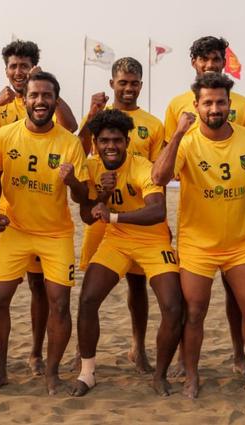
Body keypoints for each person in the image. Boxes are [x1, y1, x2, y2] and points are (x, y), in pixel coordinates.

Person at [152, 72, 245, 399]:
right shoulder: (187, 140)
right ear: (196, 105)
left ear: (229, 105)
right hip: (197, 246)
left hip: (240, 243)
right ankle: (192, 375)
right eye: (208, 102)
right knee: (194, 312)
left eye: (221, 102)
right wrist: (177, 134)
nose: (215, 108)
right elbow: (159, 176)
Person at [0, 39, 78, 375]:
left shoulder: (64, 133)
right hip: (9, 223)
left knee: (49, 296)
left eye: (25, 66)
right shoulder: (4, 122)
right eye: (13, 67)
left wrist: (45, 83)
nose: (18, 72)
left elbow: (72, 126)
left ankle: (41, 361)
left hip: (52, 229)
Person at [0, 71, 88, 395]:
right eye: (34, 95)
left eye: (47, 96)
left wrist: (72, 180)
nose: (40, 101)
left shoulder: (69, 142)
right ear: (25, 99)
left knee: (59, 304)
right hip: (16, 230)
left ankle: (52, 373)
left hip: (55, 233)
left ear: (56, 101)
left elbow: (83, 196)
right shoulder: (4, 136)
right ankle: (0, 370)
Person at [163, 36, 245, 376]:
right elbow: (165, 166)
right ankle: (184, 363)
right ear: (194, 64)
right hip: (197, 232)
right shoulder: (177, 106)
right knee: (192, 307)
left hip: (237, 233)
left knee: (241, 299)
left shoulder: (244, 106)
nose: (210, 64)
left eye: (216, 58)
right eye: (203, 59)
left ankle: (238, 354)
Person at [71, 109, 181, 397]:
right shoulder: (92, 167)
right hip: (116, 240)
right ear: (95, 142)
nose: (111, 146)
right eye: (105, 140)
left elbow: (158, 211)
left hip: (152, 241)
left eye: (117, 140)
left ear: (127, 141)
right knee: (87, 299)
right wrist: (102, 197)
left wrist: (114, 216)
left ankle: (160, 375)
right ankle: (87, 372)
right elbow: (87, 216)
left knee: (172, 306)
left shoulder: (142, 166)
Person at [75, 57, 165, 373]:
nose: (128, 88)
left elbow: (158, 173)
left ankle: (138, 347)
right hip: (102, 210)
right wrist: (89, 116)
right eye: (122, 82)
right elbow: (78, 152)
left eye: (134, 83)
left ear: (141, 85)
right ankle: (83, 352)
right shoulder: (98, 117)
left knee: (138, 287)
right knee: (92, 287)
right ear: (112, 83)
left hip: (138, 215)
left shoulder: (153, 124)